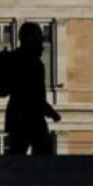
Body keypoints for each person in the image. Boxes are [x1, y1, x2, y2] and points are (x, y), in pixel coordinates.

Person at [5, 22, 62, 155]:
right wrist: (51, 112)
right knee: (43, 156)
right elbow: (34, 95)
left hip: (17, 116)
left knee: (16, 156)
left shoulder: (15, 58)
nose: (42, 43)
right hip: (30, 117)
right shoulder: (33, 63)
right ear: (30, 39)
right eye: (38, 38)